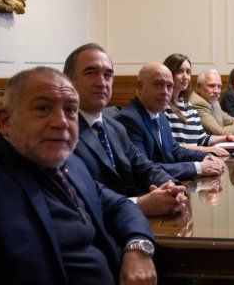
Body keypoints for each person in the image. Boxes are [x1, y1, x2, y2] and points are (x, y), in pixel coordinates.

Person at [0, 67, 157, 284]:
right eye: (43, 108)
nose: (61, 122)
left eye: (71, 110)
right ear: (6, 121)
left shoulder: (71, 163)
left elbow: (120, 205)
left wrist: (138, 248)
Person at [63, 43, 187, 216]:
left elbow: (145, 167)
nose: (102, 82)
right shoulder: (61, 133)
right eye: (91, 73)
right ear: (68, 81)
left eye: (108, 75)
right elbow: (77, 201)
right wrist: (140, 204)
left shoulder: (115, 128)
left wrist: (171, 186)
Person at [115, 63, 225, 181]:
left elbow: (175, 150)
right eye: (158, 85)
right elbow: (144, 169)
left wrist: (208, 157)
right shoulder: (128, 120)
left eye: (169, 86)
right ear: (140, 86)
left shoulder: (160, 115)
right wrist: (197, 167)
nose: (165, 92)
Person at [162, 54, 234, 157]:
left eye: (188, 72)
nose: (185, 76)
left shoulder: (190, 107)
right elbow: (172, 146)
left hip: (195, 160)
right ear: (168, 74)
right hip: (181, 165)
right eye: (180, 71)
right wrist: (205, 150)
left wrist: (228, 137)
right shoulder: (162, 107)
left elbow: (202, 139)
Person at [190, 69, 234, 136]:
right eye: (211, 86)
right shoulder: (198, 103)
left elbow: (227, 119)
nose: (216, 91)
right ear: (199, 87)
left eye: (219, 86)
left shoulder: (213, 101)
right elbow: (219, 132)